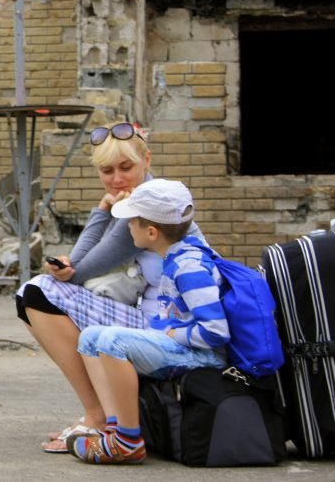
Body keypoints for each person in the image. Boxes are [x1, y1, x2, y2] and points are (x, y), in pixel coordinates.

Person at [14, 122, 206, 453]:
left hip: (173, 330)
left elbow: (78, 271)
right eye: (107, 170)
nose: (117, 179)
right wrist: (103, 210)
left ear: (147, 160)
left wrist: (101, 211)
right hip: (160, 318)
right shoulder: (147, 196)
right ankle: (102, 415)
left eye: (126, 167)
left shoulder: (148, 208)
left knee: (38, 292)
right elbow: (78, 263)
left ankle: (98, 416)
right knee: (38, 291)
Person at [67, 179, 228, 465]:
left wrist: (169, 333)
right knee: (91, 337)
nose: (127, 228)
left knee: (112, 341)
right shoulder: (172, 258)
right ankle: (115, 428)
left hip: (202, 356)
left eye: (131, 222)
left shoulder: (190, 266)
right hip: (182, 347)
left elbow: (215, 332)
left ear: (152, 232)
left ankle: (128, 441)